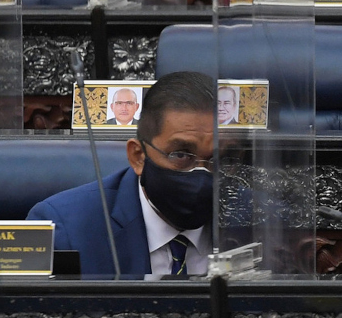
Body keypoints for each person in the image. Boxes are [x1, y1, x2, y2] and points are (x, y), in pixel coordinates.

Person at [27, 72, 216, 276]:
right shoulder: (66, 231)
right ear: (138, 157)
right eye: (180, 155)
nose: (202, 175)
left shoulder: (251, 221)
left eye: (219, 160)